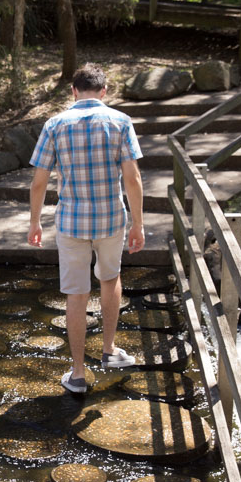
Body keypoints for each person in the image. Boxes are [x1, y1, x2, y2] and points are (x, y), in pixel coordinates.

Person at [27, 63, 145, 395]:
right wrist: (139, 224)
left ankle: (78, 374)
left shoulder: (54, 125)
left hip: (71, 223)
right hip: (111, 220)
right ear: (104, 92)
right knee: (110, 280)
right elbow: (133, 179)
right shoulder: (120, 122)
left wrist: (35, 222)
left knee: (76, 295)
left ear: (73, 91)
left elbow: (39, 183)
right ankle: (108, 351)